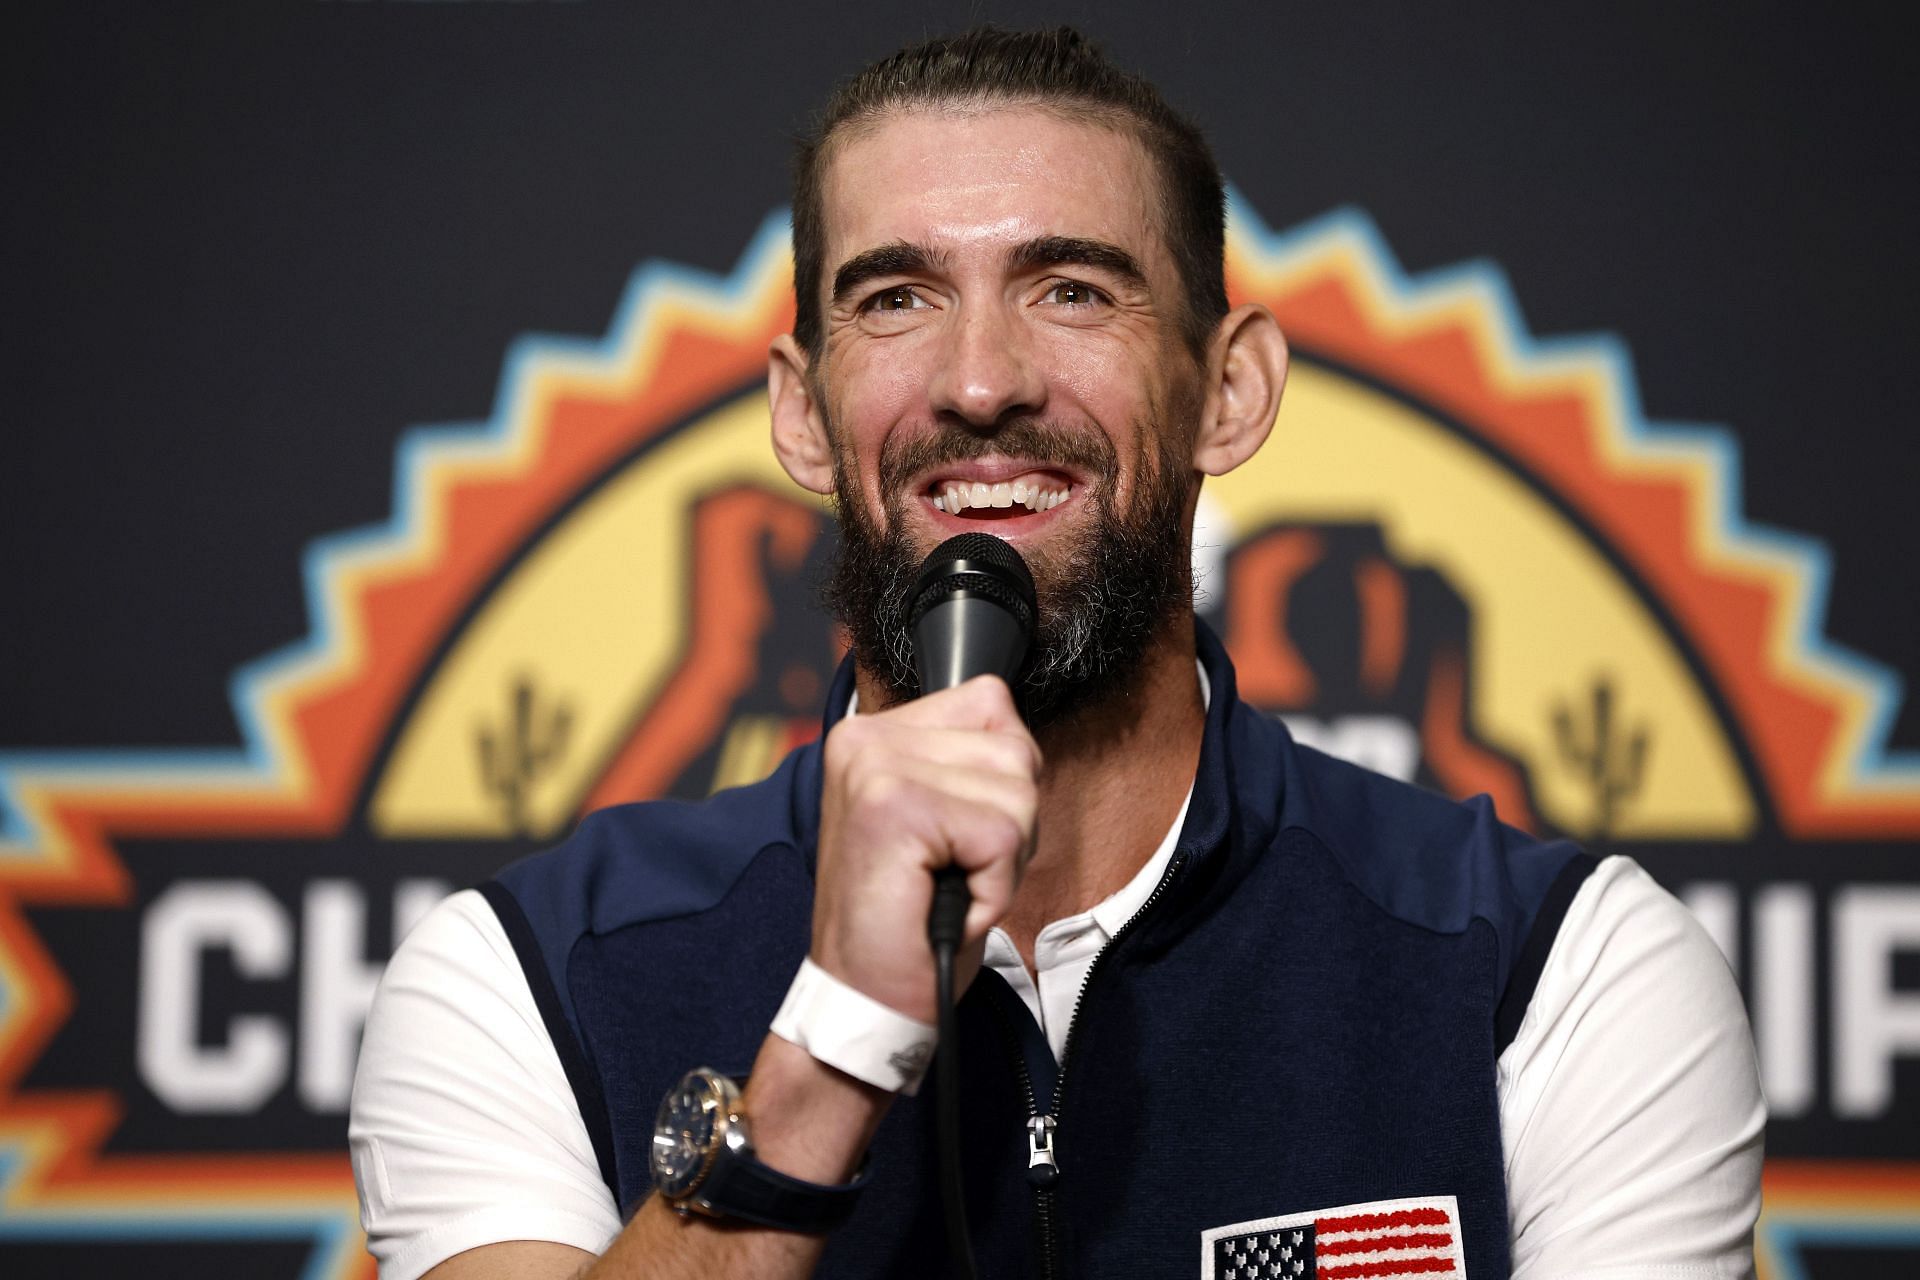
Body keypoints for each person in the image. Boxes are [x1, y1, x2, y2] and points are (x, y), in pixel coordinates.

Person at [349, 26, 1764, 1280]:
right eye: (893, 298)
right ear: (800, 411)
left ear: (1228, 390)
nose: (979, 381)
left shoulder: (1553, 973)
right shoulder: (529, 978)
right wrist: (840, 1037)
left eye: (1072, 289)